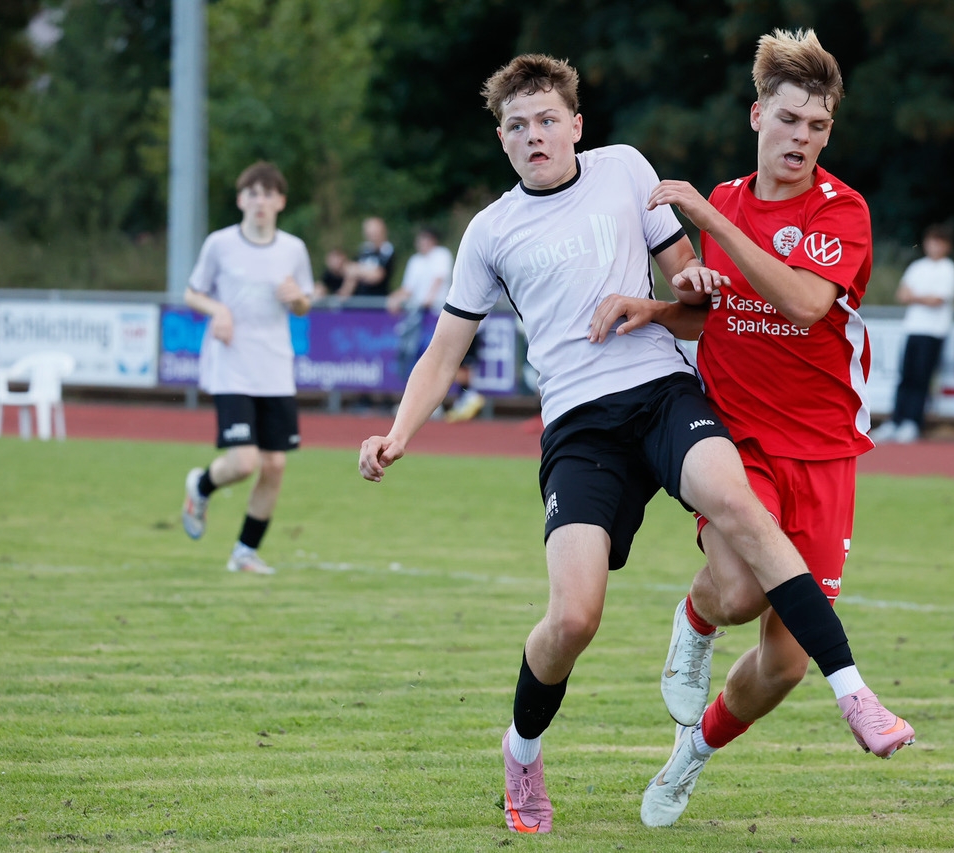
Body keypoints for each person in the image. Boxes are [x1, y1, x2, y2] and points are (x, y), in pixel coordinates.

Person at [359, 52, 910, 835]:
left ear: (576, 126)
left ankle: (853, 692)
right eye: (517, 126)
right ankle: (522, 749)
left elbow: (688, 285)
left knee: (741, 511)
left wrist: (683, 289)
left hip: (663, 394)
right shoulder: (489, 232)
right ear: (501, 139)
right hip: (579, 427)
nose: (534, 135)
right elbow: (445, 349)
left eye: (548, 120)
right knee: (574, 617)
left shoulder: (625, 170)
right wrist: (398, 431)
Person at [586, 28, 914, 829]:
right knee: (735, 591)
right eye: (790, 118)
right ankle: (695, 620)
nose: (802, 137)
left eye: (818, 125)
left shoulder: (840, 210)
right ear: (757, 114)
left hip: (825, 451)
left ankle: (693, 749)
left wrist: (712, 222)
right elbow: (716, 316)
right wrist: (656, 308)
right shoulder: (726, 202)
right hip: (738, 440)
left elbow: (802, 304)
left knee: (784, 663)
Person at [180, 161, 314, 575]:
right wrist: (218, 310)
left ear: (280, 202)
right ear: (240, 200)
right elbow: (192, 293)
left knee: (275, 465)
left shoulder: (293, 249)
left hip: (275, 368)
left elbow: (304, 303)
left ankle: (244, 553)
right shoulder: (220, 244)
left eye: (268, 194)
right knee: (243, 463)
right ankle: (201, 485)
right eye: (252, 193)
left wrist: (297, 299)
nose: (260, 201)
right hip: (232, 365)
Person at [873, 224, 954, 444]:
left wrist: (916, 296)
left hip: (934, 332)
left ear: (947, 246)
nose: (934, 246)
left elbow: (938, 299)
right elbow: (902, 294)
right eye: (931, 241)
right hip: (913, 328)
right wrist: (922, 297)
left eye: (939, 242)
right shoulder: (917, 266)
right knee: (905, 376)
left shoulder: (948, 269)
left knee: (921, 378)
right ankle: (896, 420)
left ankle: (913, 422)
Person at [388, 227, 453, 381]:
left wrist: (428, 300)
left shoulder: (441, 254)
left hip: (437, 314)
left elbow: (439, 279)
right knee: (415, 353)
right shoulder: (415, 261)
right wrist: (394, 298)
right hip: (419, 316)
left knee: (435, 354)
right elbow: (408, 288)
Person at [334, 216, 396, 300]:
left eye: (374, 231)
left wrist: (358, 271)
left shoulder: (387, 250)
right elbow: (349, 270)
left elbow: (377, 276)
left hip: (378, 300)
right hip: (359, 299)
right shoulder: (364, 249)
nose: (372, 235)